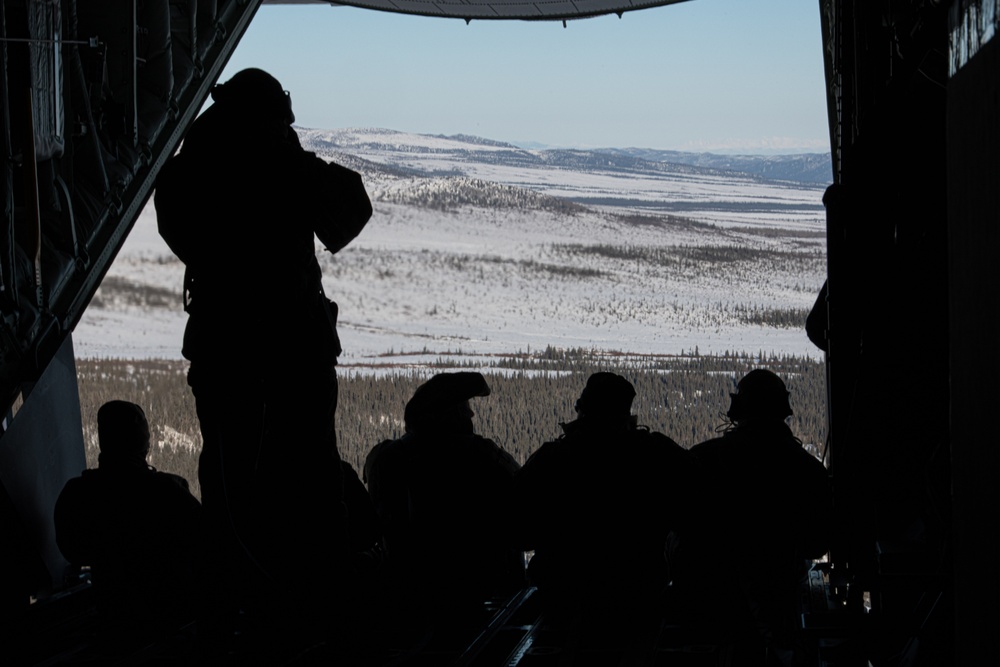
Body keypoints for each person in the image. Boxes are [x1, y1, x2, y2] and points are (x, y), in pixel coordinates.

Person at [153, 68, 372, 600]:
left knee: (231, 475)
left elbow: (180, 231)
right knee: (311, 471)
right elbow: (349, 211)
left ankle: (239, 593)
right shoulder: (284, 164)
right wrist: (286, 157)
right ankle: (320, 593)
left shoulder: (191, 170)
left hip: (225, 348)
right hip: (295, 346)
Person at [670, 369, 832, 663]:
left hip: (707, 603)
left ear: (737, 408)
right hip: (779, 602)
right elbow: (816, 544)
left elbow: (678, 529)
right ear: (783, 411)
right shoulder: (807, 470)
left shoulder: (703, 459)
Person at [515, 372, 693, 617]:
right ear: (626, 413)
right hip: (640, 597)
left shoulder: (552, 459)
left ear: (582, 411)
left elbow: (520, 532)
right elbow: (693, 517)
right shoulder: (657, 454)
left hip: (562, 600)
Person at [364, 372, 523, 613]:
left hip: (403, 593)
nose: (471, 413)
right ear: (453, 413)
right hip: (477, 594)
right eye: (465, 406)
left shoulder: (386, 458)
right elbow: (524, 500)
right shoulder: (483, 456)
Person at [54, 401, 201, 641]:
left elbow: (73, 551)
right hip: (171, 622)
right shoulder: (171, 492)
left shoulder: (78, 495)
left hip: (112, 619)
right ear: (144, 443)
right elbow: (205, 545)